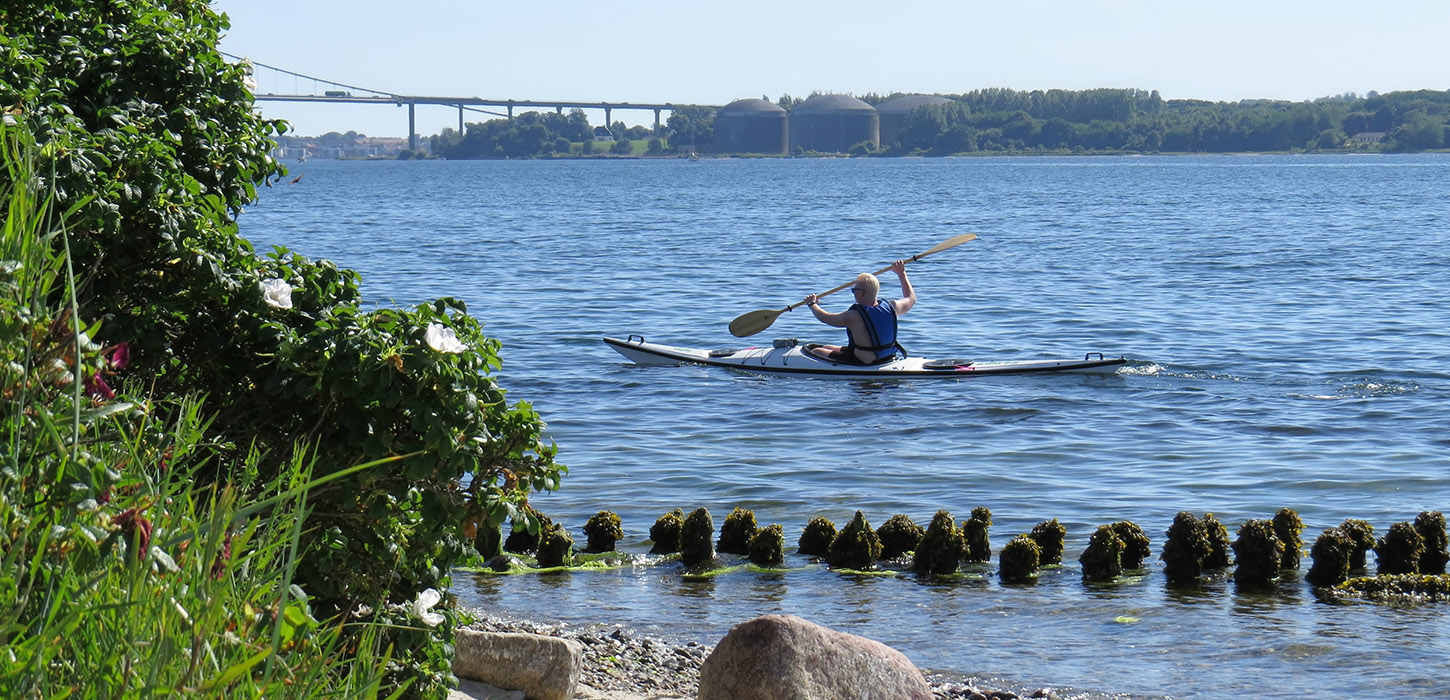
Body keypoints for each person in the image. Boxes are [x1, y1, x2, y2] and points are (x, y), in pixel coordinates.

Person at [803, 259, 916, 364]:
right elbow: (911, 298)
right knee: (826, 347)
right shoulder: (892, 307)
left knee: (816, 351)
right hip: (887, 356)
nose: (853, 293)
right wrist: (901, 274)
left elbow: (824, 317)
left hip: (864, 360)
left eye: (854, 290)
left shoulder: (853, 316)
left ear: (862, 293)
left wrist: (812, 304)